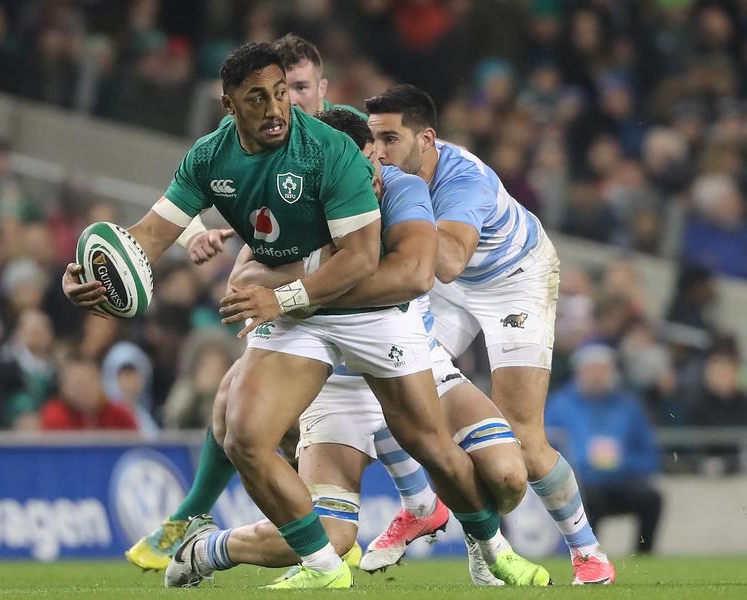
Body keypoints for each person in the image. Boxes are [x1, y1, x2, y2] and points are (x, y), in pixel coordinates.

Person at [64, 43, 505, 591]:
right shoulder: (209, 157)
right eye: (258, 98)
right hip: (301, 317)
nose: (276, 109)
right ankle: (318, 564)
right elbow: (150, 236)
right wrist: (92, 272)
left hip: (367, 312)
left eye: (282, 93)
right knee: (243, 433)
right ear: (228, 105)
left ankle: (489, 544)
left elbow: (361, 260)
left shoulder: (331, 149)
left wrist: (279, 296)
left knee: (432, 444)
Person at [162, 110, 543, 588]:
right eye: (356, 165)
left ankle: (489, 548)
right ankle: (207, 548)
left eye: (372, 161)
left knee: (503, 474)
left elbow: (415, 275)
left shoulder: (402, 189)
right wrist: (325, 279)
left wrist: (301, 289)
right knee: (327, 532)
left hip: (395, 342)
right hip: (334, 381)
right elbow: (242, 280)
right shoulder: (293, 196)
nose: (371, 175)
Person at [364, 84, 616, 585]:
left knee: (523, 436)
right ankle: (421, 506)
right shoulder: (388, 171)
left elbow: (450, 262)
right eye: (374, 141)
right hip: (449, 289)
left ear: (426, 139)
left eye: (391, 140)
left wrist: (395, 209)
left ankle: (588, 552)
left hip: (513, 282)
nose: (379, 153)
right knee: (388, 385)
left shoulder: (463, 181)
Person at [546, 344, 663, 554]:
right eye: (591, 369)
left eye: (602, 369)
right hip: (580, 485)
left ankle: (643, 557)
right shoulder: (560, 405)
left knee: (652, 498)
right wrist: (584, 461)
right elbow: (547, 449)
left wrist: (621, 461)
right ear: (578, 372)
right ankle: (587, 555)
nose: (596, 376)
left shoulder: (629, 406)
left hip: (622, 481)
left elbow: (650, 455)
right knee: (588, 500)